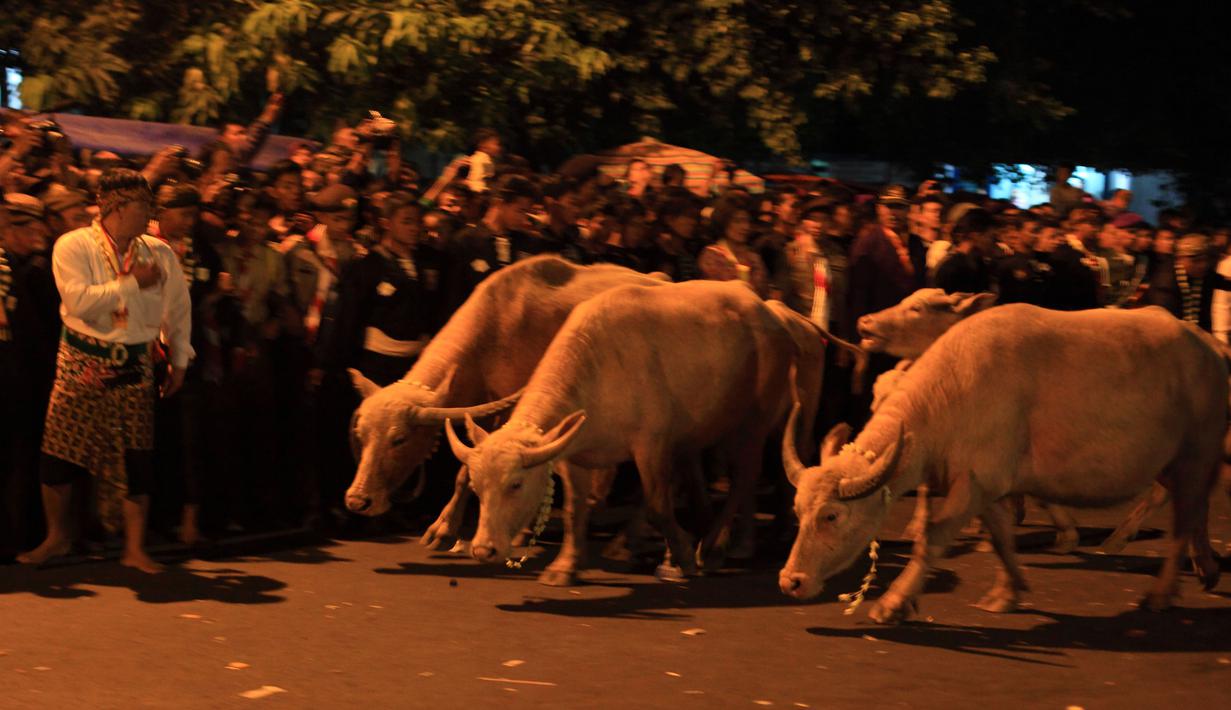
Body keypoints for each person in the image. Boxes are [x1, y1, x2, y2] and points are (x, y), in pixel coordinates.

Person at [18, 169, 193, 573]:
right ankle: (57, 537)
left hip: (134, 361)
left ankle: (133, 547)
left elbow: (178, 309)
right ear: (116, 206)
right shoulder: (72, 245)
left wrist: (179, 358)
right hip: (81, 360)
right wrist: (131, 283)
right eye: (144, 207)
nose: (150, 216)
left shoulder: (158, 252)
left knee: (137, 458)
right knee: (59, 456)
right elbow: (78, 302)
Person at [0, 195, 61, 557]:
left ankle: (20, 535)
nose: (37, 233)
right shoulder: (11, 269)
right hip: (13, 378)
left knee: (19, 458)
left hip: (28, 380)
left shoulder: (33, 268)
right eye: (25, 226)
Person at [697, 198, 770, 298]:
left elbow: (763, 292)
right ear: (723, 222)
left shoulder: (753, 256)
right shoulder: (712, 255)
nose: (745, 227)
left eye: (747, 221)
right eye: (737, 221)